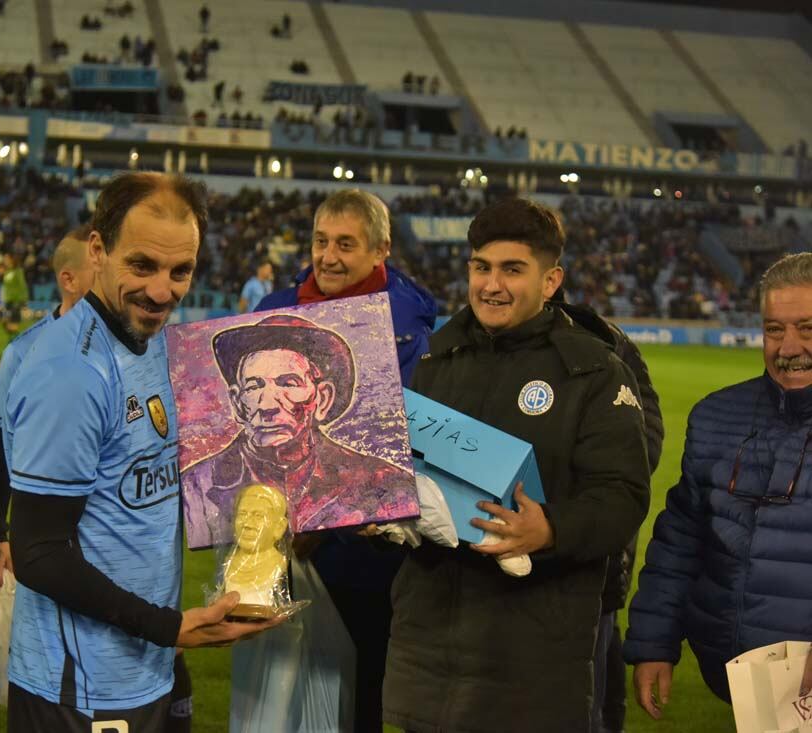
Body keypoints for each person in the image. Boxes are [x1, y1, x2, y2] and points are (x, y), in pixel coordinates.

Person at [3, 172, 279, 732]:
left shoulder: (155, 346)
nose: (162, 292)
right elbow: (36, 552)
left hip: (149, 661)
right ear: (98, 251)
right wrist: (165, 626)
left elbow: (148, 495)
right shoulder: (71, 372)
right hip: (81, 685)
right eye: (142, 266)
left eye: (181, 271)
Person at [383, 196, 650, 732]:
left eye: (512, 270)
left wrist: (549, 529)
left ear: (551, 281)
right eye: (481, 267)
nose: (491, 285)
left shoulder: (593, 371)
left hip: (532, 655)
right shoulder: (438, 357)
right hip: (430, 643)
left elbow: (622, 495)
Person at [254, 188, 435, 732]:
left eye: (345, 245)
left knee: (358, 696)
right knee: (282, 695)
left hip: (366, 556)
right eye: (321, 241)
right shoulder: (271, 311)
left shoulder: (409, 331)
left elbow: (396, 447)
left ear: (381, 249)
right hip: (277, 544)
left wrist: (322, 525)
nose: (328, 256)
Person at [625, 251, 812, 720]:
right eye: (774, 329)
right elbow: (679, 541)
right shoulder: (715, 415)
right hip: (743, 683)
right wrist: (655, 641)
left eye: (808, 329)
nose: (788, 347)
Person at [181, 313, 417, 548]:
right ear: (237, 402)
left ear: (322, 399)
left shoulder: (380, 480)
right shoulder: (196, 486)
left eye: (288, 384)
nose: (267, 405)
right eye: (253, 387)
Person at [550, 289, 665, 733]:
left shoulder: (608, 344)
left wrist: (570, 510)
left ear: (550, 280)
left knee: (590, 706)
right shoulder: (477, 347)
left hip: (590, 567)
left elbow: (643, 444)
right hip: (495, 573)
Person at [0, 226, 95, 587]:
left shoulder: (136, 349)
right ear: (69, 279)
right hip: (46, 538)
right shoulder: (21, 353)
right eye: (101, 271)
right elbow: (0, 448)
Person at [0, 252, 28, 342]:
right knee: (4, 322)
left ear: (12, 260)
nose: (5, 260)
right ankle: (22, 343)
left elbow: (22, 286)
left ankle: (12, 349)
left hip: (16, 301)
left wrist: (23, 301)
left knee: (13, 326)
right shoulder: (7, 271)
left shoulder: (18, 271)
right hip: (8, 301)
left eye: (6, 258)